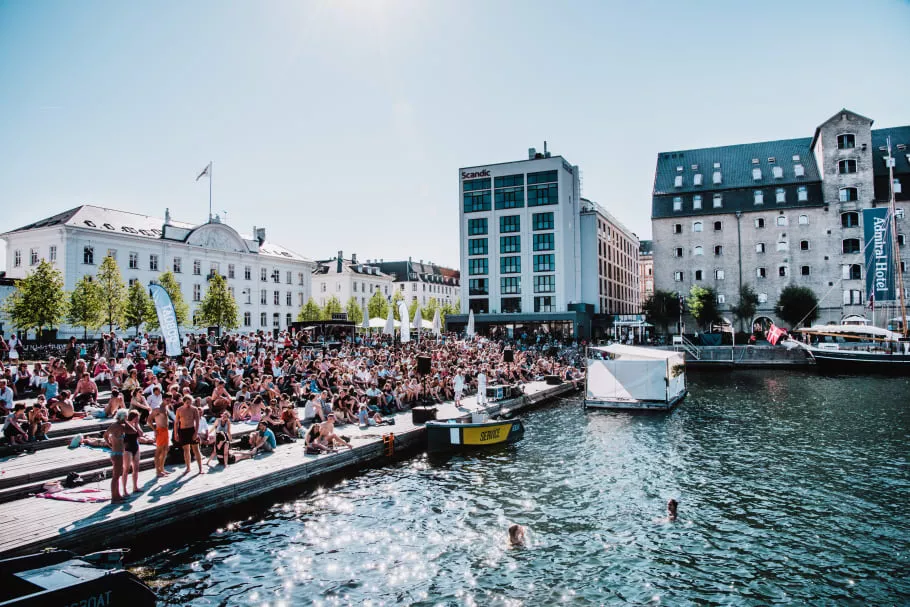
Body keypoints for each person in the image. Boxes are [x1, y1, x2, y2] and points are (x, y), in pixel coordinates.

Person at [175, 395, 204, 474]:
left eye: (190, 402)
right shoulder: (179, 410)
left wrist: (196, 433)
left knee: (196, 450)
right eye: (187, 402)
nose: (189, 404)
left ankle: (200, 468)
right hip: (182, 431)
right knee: (186, 450)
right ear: (184, 402)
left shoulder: (194, 409)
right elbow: (176, 423)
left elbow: (197, 422)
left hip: (191, 430)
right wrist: (175, 434)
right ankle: (188, 467)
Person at [103, 410, 128, 502]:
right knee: (116, 476)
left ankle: (117, 495)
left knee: (117, 475)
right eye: (126, 417)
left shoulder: (113, 425)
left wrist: (110, 444)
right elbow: (133, 430)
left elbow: (105, 435)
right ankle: (114, 497)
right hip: (117, 454)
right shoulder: (120, 427)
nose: (126, 419)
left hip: (116, 452)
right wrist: (110, 444)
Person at [148, 394, 171, 477]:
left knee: (165, 450)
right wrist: (154, 430)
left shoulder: (166, 407)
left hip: (166, 430)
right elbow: (149, 420)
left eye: (170, 400)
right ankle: (158, 471)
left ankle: (162, 468)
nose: (168, 402)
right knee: (159, 451)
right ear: (163, 399)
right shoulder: (157, 409)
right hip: (160, 430)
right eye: (167, 400)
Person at [121, 410, 142, 496]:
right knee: (126, 469)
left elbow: (141, 434)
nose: (138, 419)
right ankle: (124, 490)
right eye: (136, 418)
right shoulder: (125, 425)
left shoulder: (136, 425)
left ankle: (135, 486)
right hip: (127, 449)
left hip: (136, 447)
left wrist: (137, 425)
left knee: (136, 468)